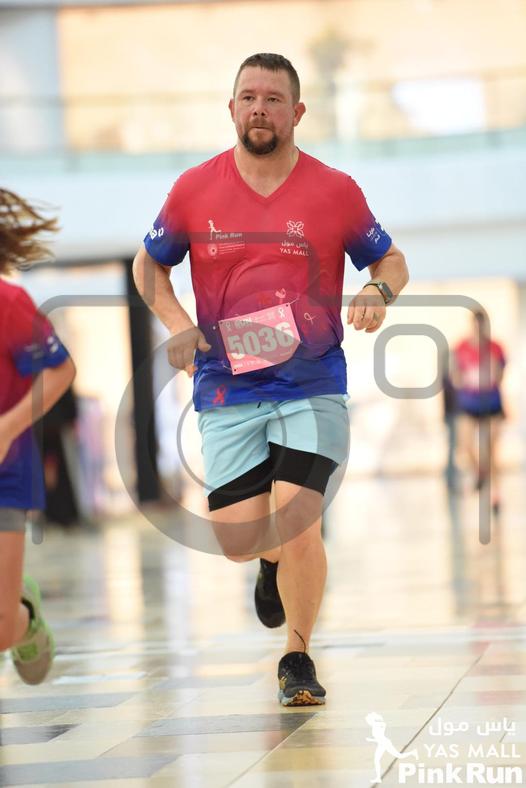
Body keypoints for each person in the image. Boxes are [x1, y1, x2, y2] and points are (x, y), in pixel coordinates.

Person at [133, 53, 408, 705]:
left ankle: (297, 656)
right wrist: (177, 324)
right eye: (249, 97)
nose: (260, 108)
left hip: (313, 382)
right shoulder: (193, 189)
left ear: (297, 112)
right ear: (231, 109)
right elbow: (150, 266)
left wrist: (377, 290)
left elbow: (391, 260)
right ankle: (267, 560)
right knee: (239, 539)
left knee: (300, 521)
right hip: (228, 383)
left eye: (274, 98)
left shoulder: (335, 190)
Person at [0, 189, 75, 683]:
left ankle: (22, 615)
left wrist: (7, 428)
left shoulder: (9, 304)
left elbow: (60, 369)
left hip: (6, 470)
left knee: (1, 628)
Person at [452, 309, 506, 510]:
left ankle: (496, 495)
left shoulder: (496, 348)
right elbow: (456, 377)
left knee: (491, 451)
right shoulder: (461, 348)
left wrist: (489, 373)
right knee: (465, 446)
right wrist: (468, 378)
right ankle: (480, 472)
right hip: (469, 404)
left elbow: (499, 376)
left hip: (491, 404)